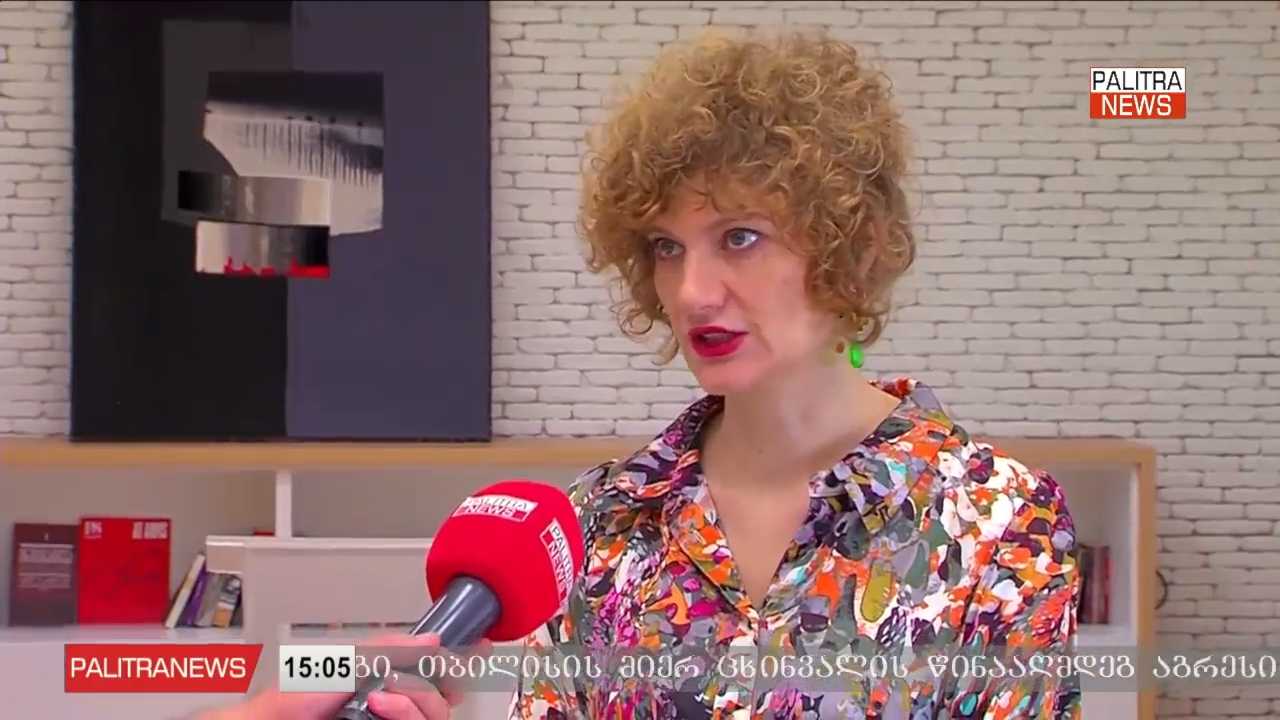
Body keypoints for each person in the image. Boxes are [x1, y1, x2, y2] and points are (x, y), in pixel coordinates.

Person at [202, 28, 1081, 720]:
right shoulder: (595, 527)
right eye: (666, 247)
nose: (693, 291)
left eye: (740, 236)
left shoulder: (998, 524)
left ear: (847, 243)